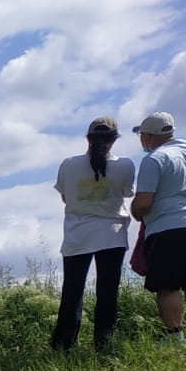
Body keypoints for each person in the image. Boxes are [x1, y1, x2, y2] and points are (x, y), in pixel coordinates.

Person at [130, 112, 186, 345]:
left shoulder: (154, 159)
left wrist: (136, 211)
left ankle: (174, 338)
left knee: (166, 285)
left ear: (148, 136)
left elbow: (144, 202)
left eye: (142, 135)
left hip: (167, 226)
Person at [51, 117, 136, 351]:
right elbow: (126, 193)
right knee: (108, 292)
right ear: (114, 139)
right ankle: (103, 343)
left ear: (88, 138)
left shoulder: (68, 164)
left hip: (78, 232)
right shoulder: (126, 165)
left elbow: (65, 197)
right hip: (112, 233)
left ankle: (64, 344)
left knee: (73, 290)